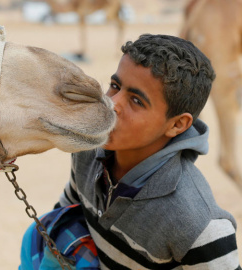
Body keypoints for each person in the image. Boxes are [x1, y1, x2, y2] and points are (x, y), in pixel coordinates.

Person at [20, 34, 240, 269]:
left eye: (136, 100)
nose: (112, 104)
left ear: (177, 125)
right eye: (115, 86)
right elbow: (67, 215)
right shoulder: (88, 150)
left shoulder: (198, 224)